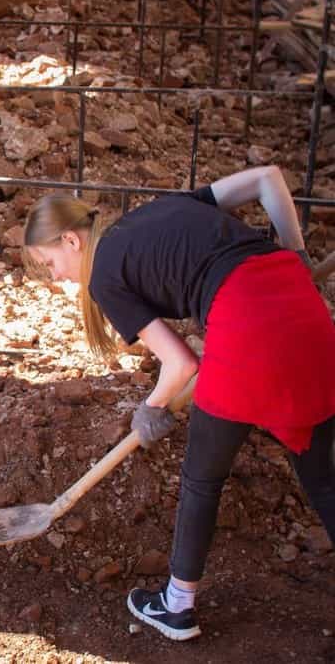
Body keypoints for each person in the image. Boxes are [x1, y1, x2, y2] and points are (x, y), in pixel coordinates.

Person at [22, 166, 335, 641]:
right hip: (307, 314)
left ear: (70, 240)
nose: (56, 276)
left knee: (202, 479)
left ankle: (178, 606)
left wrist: (151, 408)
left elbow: (181, 363)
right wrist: (297, 253)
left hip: (247, 330)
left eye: (49, 263)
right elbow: (268, 178)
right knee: (324, 480)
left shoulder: (105, 276)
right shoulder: (165, 207)